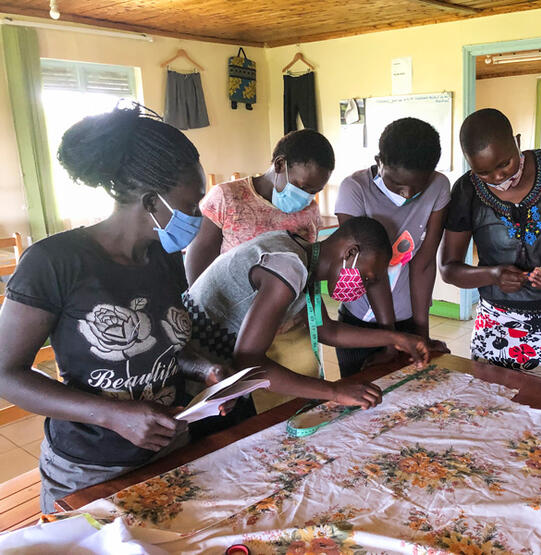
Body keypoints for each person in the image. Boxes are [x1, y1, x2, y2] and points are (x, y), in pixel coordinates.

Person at [0, 106, 225, 512]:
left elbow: (169, 348)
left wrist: (205, 370)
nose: (198, 217)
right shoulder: (54, 263)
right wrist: (111, 415)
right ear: (153, 202)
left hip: (171, 448)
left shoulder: (165, 257)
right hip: (89, 469)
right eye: (192, 206)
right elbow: (6, 374)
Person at [183, 216, 431, 426]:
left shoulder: (302, 256)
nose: (363, 287)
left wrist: (397, 337)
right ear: (351, 252)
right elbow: (250, 362)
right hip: (193, 373)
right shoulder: (289, 268)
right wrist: (334, 391)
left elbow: (327, 330)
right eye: (366, 277)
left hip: (216, 372)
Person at [439, 109, 541, 379]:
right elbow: (449, 269)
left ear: (516, 141)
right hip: (496, 324)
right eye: (482, 172)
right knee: (492, 409)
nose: (497, 177)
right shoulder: (466, 190)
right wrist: (492, 275)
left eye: (504, 164)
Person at [334, 118, 450, 376]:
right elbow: (368, 270)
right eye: (397, 185)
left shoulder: (439, 186)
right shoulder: (354, 190)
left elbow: (424, 263)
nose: (407, 193)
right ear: (379, 161)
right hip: (361, 323)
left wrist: (422, 334)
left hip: (408, 321)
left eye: (417, 186)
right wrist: (389, 341)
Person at [185, 129, 333, 284]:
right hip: (230, 303)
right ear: (280, 164)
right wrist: (199, 305)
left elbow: (307, 264)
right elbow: (198, 261)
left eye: (315, 191)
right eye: (302, 187)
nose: (306, 197)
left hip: (289, 302)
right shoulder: (227, 197)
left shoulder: (310, 210)